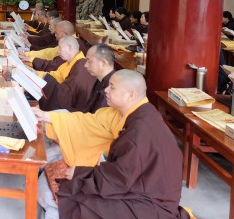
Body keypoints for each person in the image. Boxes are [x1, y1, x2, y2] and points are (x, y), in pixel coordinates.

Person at [34, 70, 188, 219]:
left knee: (74, 200)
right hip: (136, 182)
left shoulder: (139, 131)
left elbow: (120, 177)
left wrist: (80, 173)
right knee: (63, 190)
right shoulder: (137, 111)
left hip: (149, 199)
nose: (106, 90)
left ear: (131, 95)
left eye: (112, 87)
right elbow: (88, 122)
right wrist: (48, 117)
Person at [34, 36, 97, 112]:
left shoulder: (81, 67)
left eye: (60, 48)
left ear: (69, 48)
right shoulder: (69, 63)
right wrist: (36, 73)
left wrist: (46, 79)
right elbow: (56, 75)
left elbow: (68, 97)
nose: (58, 51)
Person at [83, 43, 115, 113]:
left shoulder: (111, 88)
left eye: (89, 61)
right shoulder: (100, 80)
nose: (85, 65)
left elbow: (98, 117)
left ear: (103, 63)